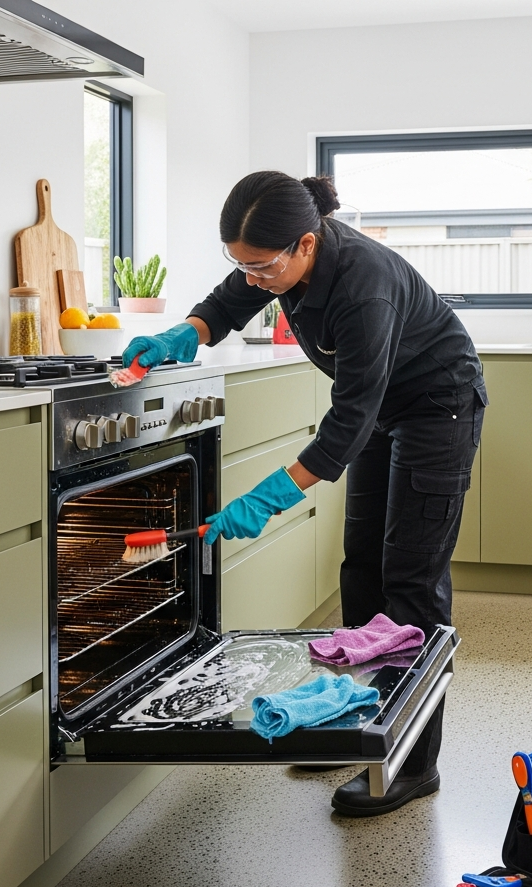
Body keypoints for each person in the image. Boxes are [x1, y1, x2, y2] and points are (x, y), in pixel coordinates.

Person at [121, 171, 485, 817]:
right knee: (361, 568)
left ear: (307, 246)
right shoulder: (275, 263)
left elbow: (345, 426)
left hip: (437, 408)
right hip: (380, 411)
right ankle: (356, 724)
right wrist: (185, 333)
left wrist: (262, 501)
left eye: (259, 266)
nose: (250, 277)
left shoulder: (364, 287)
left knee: (410, 582)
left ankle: (410, 760)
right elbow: (228, 305)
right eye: (240, 263)